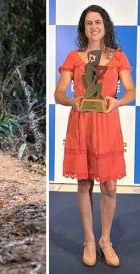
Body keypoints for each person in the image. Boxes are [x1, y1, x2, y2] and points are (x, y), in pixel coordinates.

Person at [54, 5, 135, 267]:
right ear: (83, 28)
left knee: (110, 185)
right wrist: (72, 101)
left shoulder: (118, 57)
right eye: (89, 23)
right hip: (81, 124)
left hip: (108, 124)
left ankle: (105, 240)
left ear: (105, 25)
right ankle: (89, 240)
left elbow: (131, 91)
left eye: (98, 22)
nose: (94, 27)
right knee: (84, 183)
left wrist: (117, 102)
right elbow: (59, 93)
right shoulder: (74, 57)